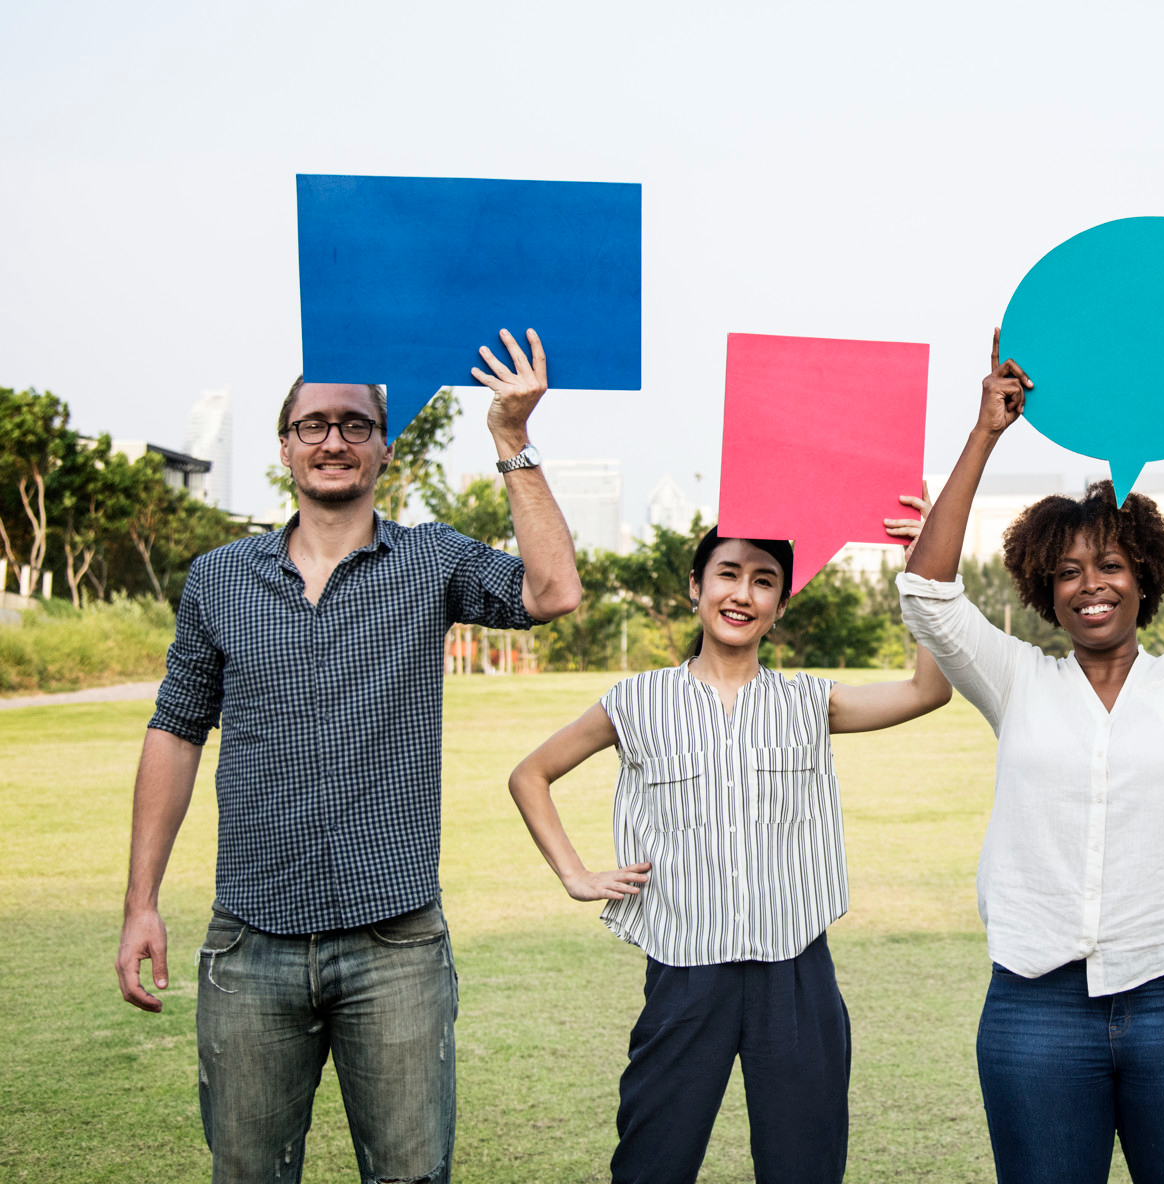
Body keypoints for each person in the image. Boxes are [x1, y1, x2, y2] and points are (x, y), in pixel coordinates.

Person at [115, 329, 583, 1184]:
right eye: (313, 424)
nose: (334, 440)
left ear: (385, 447)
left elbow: (553, 591)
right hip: (249, 942)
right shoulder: (218, 579)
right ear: (286, 445)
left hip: (394, 943)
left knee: (410, 1175)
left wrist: (512, 438)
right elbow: (176, 731)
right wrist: (141, 901)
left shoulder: (431, 560)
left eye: (355, 425)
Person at [897, 332, 1164, 1184]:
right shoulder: (1015, 680)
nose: (1092, 584)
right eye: (1069, 571)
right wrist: (985, 432)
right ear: (1044, 590)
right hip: (1035, 1007)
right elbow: (928, 592)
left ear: (1145, 577)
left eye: (1112, 565)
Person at [506, 511, 953, 1184]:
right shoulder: (637, 701)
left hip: (797, 975)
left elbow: (929, 689)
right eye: (728, 574)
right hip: (686, 974)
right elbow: (530, 775)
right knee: (652, 1164)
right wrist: (574, 874)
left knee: (804, 1166)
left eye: (764, 581)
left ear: (780, 604)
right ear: (696, 587)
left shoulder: (809, 702)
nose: (743, 594)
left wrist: (924, 565)